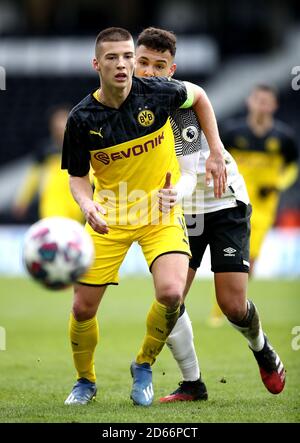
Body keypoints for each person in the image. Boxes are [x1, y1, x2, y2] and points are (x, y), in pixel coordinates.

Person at [61, 27, 226, 407]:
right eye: (112, 58)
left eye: (127, 57)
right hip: (109, 216)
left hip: (160, 213)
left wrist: (214, 149)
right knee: (82, 307)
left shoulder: (158, 92)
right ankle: (85, 381)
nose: (122, 64)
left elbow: (199, 96)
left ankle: (144, 364)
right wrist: (87, 206)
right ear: (96, 64)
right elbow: (77, 178)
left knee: (171, 293)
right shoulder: (81, 118)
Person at [135, 27, 286, 402]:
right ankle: (192, 384)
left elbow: (187, 174)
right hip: (182, 210)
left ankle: (262, 347)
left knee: (233, 306)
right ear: (132, 63)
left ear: (172, 70)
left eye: (159, 65)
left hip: (222, 203)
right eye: (144, 63)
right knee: (168, 300)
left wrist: (172, 195)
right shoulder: (124, 106)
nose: (150, 72)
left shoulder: (178, 106)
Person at [221, 84, 299, 275]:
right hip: (233, 202)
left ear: (274, 106)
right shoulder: (232, 132)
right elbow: (218, 159)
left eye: (266, 102)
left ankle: (232, 304)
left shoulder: (284, 138)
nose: (261, 106)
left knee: (250, 258)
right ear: (249, 102)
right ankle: (225, 304)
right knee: (229, 255)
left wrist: (277, 184)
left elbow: (292, 167)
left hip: (264, 206)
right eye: (258, 100)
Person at [12, 105, 83, 223]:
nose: (60, 127)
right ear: (52, 126)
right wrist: (23, 200)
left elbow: (93, 173)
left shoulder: (82, 148)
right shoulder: (45, 150)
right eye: (58, 122)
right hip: (52, 204)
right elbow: (33, 176)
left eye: (64, 121)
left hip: (75, 203)